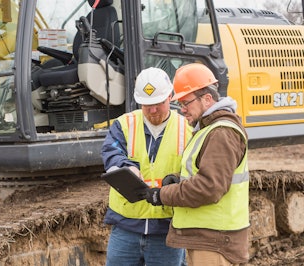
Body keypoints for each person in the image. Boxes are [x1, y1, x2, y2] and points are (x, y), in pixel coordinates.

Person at [145, 63, 250, 265]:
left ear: (207, 98)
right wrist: (177, 180)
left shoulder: (221, 132)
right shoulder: (209, 129)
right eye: (180, 104)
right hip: (209, 238)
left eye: (186, 103)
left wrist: (163, 195)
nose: (182, 110)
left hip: (215, 240)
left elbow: (209, 187)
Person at [101, 67, 192, 266]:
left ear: (170, 97)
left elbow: (197, 169)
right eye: (146, 104)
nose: (152, 110)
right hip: (126, 226)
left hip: (167, 229)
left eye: (158, 103)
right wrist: (125, 167)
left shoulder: (187, 128)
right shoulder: (124, 124)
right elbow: (111, 152)